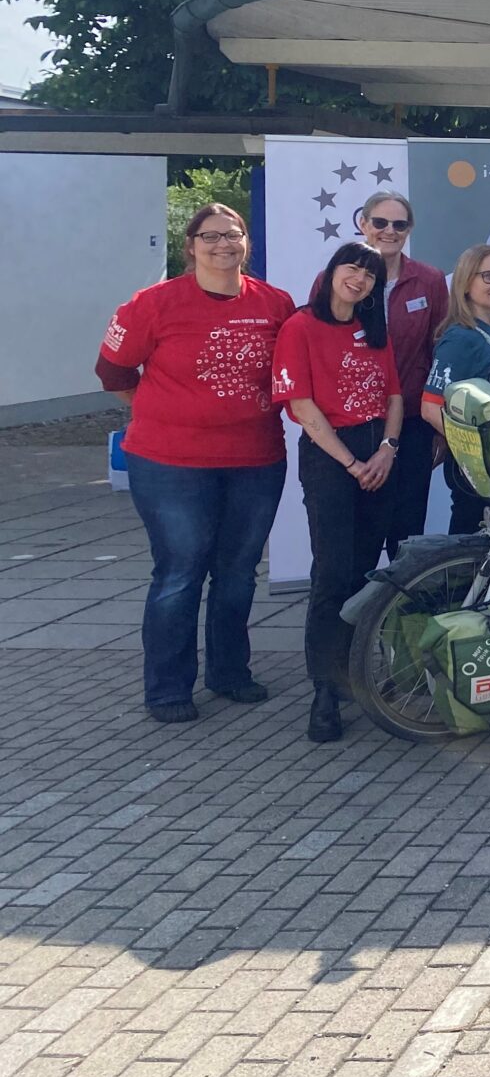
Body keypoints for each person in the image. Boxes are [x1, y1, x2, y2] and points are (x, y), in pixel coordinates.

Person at [98, 203, 295, 724]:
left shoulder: (276, 303)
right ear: (190, 246)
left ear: (247, 243)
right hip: (170, 464)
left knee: (237, 573)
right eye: (210, 236)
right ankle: (166, 688)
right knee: (180, 572)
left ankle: (230, 673)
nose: (222, 245)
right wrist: (163, 410)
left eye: (232, 235)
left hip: (255, 458)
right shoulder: (153, 304)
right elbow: (114, 373)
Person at [274, 242, 404, 744]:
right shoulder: (300, 327)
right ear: (331, 272)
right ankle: (324, 690)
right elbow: (303, 406)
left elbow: (394, 393)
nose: (360, 279)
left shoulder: (374, 330)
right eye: (352, 267)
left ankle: (355, 674)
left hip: (379, 454)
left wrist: (389, 449)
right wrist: (351, 463)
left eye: (370, 274)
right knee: (331, 574)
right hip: (332, 457)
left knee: (363, 574)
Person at [351, 190, 447, 557]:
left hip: (411, 422)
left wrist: (439, 426)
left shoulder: (430, 280)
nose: (389, 231)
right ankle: (357, 612)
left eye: (399, 224)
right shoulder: (337, 279)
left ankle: (402, 611)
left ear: (409, 229)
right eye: (380, 222)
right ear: (364, 223)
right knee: (359, 532)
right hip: (355, 425)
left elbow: (439, 352)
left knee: (407, 529)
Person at [421, 244, 490, 535]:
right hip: (479, 468)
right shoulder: (460, 337)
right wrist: (477, 450)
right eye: (488, 276)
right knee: (472, 552)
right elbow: (429, 408)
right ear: (466, 283)